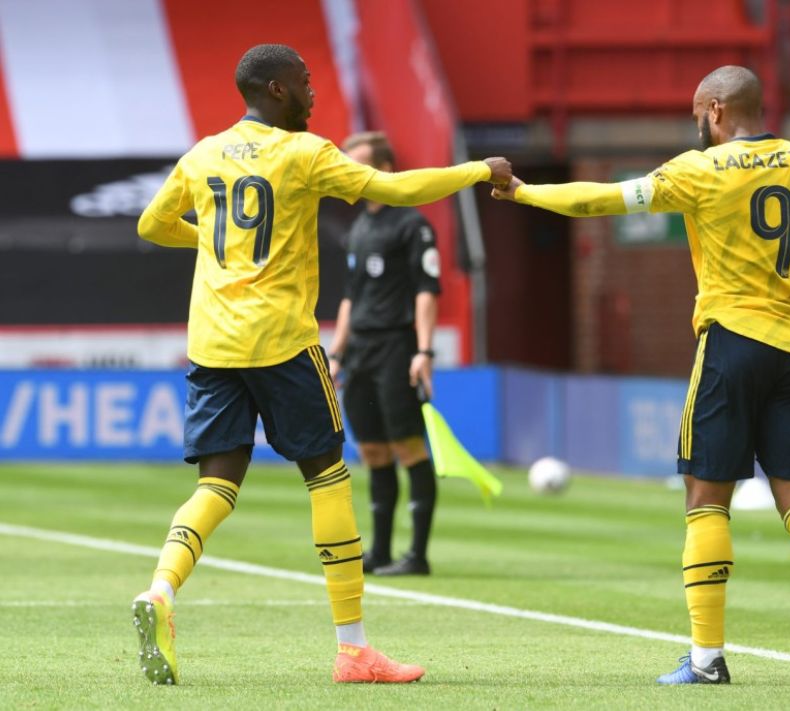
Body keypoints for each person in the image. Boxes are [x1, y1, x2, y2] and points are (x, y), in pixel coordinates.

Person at [133, 43, 511, 687]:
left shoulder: (203, 153)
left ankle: (160, 590)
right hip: (282, 342)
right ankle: (354, 650)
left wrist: (218, 247)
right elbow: (395, 188)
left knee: (216, 485)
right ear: (277, 89)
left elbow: (151, 224)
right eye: (305, 82)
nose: (312, 92)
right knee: (328, 478)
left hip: (213, 344)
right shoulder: (304, 153)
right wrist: (478, 169)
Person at [492, 65, 790, 688]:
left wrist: (524, 194)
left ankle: (705, 658)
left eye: (698, 113)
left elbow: (599, 199)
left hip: (732, 343)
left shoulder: (699, 170)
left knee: (705, 499)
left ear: (716, 110)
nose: (696, 124)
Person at [326, 131, 440, 576]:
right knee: (372, 450)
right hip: (360, 351)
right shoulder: (359, 228)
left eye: (359, 166)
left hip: (397, 345)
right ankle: (380, 551)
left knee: (408, 446)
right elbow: (351, 297)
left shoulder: (411, 224)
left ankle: (418, 555)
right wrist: (337, 353)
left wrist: (424, 350)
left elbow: (427, 290)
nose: (351, 175)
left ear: (386, 169)